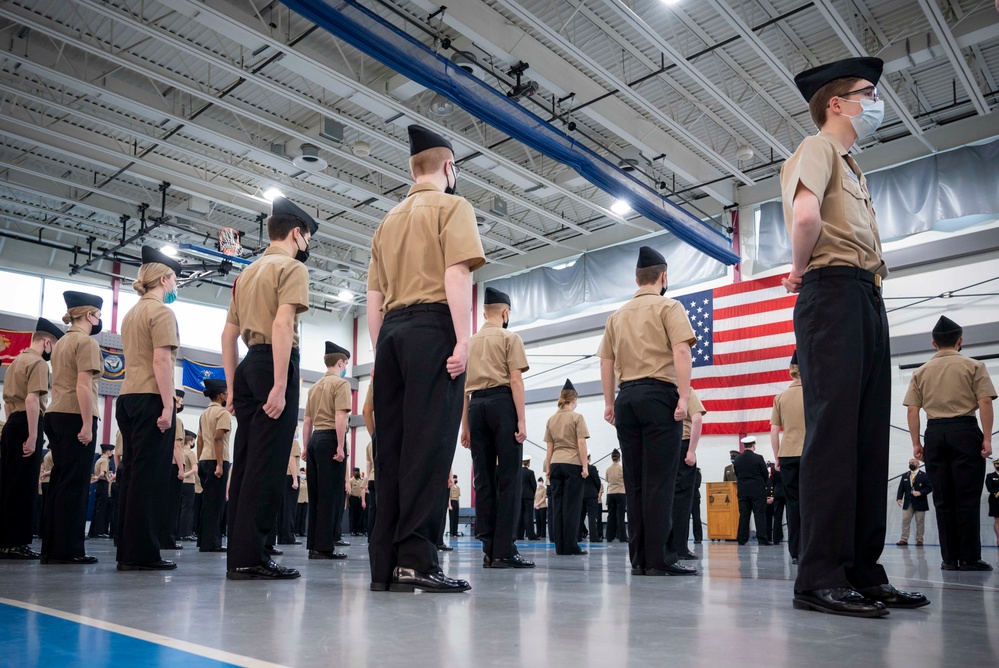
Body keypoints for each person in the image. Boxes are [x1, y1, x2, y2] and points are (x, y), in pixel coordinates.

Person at [782, 57, 932, 618]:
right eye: (868, 94)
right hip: (832, 290)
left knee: (868, 437)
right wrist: (799, 270)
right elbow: (805, 217)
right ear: (837, 103)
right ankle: (818, 577)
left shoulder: (853, 165)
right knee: (834, 437)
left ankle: (863, 571)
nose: (876, 102)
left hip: (865, 293)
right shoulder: (817, 147)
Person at [366, 125, 484, 593]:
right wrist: (462, 340)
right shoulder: (454, 207)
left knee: (392, 452)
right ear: (449, 167)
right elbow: (456, 274)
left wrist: (380, 354)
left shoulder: (386, 222)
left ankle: (386, 564)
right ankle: (417, 560)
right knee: (430, 449)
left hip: (390, 334)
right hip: (433, 329)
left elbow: (373, 298)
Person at [221, 196, 314, 580]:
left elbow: (227, 336)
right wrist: (279, 383)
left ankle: (239, 554)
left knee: (245, 463)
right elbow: (281, 325)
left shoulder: (247, 273)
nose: (307, 245)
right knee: (268, 465)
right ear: (297, 233)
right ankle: (253, 557)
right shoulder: (291, 269)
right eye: (307, 237)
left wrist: (231, 388)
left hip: (246, 365)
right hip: (275, 362)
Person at [597, 246, 697, 577]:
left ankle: (639, 559)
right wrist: (683, 397)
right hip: (658, 397)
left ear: (636, 279)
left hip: (627, 398)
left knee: (635, 481)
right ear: (663, 277)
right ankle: (660, 559)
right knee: (660, 481)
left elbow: (606, 361)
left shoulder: (617, 315)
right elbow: (682, 349)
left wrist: (609, 402)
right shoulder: (669, 307)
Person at [904, 315, 995, 571]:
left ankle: (949, 559)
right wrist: (986, 438)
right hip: (965, 431)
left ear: (934, 343)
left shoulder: (920, 372)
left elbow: (913, 409)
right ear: (960, 341)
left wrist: (916, 443)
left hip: (934, 434)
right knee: (966, 497)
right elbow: (986, 402)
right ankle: (969, 558)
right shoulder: (974, 366)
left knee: (943, 498)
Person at [116, 247, 184, 571]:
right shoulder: (162, 313)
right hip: (150, 398)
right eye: (174, 280)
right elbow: (161, 360)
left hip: (128, 396)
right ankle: (143, 553)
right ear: (162, 279)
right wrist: (169, 406)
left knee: (131, 476)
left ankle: (127, 550)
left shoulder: (130, 314)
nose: (175, 287)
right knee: (150, 479)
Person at [460, 285, 531, 568]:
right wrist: (522, 419)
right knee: (509, 478)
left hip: (476, 407)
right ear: (504, 312)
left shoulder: (471, 342)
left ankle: (488, 547)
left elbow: (463, 389)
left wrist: (464, 426)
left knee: (483, 478)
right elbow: (515, 380)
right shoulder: (509, 337)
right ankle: (505, 549)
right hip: (503, 404)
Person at [42, 291, 103, 565]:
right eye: (98, 315)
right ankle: (69, 550)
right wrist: (88, 423)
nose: (99, 320)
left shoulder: (62, 342)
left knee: (59, 482)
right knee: (75, 485)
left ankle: (52, 547)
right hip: (75, 414)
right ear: (90, 315)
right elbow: (83, 385)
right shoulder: (86, 343)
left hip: (56, 411)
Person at [0, 317, 63, 559]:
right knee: (25, 486)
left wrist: (15, 426)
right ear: (47, 343)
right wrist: (33, 435)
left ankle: (5, 540)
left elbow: (8, 402)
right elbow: (31, 399)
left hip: (12, 422)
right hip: (27, 422)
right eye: (54, 347)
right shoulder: (38, 364)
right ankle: (17, 543)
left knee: (8, 485)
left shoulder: (16, 361)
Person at [302, 341, 352, 560]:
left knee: (316, 495)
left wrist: (305, 447)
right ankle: (324, 547)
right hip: (331, 438)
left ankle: (314, 544)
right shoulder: (340, 385)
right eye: (346, 364)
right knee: (330, 496)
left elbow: (306, 421)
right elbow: (341, 415)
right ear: (340, 362)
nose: (345, 368)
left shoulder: (314, 387)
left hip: (314, 440)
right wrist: (340, 446)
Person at [544, 379, 590, 556]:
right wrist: (585, 466)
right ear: (574, 399)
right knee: (572, 506)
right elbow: (581, 443)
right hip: (572, 464)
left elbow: (549, 447)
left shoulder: (551, 419)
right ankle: (571, 545)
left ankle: (560, 546)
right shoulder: (577, 418)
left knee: (557, 506)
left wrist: (548, 468)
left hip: (556, 464)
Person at [771, 351, 804, 562]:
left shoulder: (780, 397)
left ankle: (795, 552)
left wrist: (777, 458)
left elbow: (774, 430)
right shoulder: (814, 394)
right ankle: (813, 549)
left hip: (788, 455)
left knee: (793, 505)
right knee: (813, 505)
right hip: (811, 454)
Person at [670, 389, 707, 560]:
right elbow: (697, 418)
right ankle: (679, 548)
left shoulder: (659, 390)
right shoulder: (685, 391)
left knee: (661, 500)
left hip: (660, 448)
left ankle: (661, 547)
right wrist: (691, 450)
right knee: (682, 500)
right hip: (682, 445)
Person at [197, 379, 230, 553]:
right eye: (226, 393)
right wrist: (219, 464)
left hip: (204, 459)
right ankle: (212, 543)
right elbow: (218, 438)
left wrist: (198, 461)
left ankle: (204, 541)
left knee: (207, 503)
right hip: (217, 460)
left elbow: (200, 440)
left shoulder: (204, 414)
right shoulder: (222, 413)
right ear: (221, 395)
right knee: (216, 505)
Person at [162, 389, 188, 550]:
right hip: (173, 465)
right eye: (180, 401)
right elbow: (177, 445)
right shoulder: (176, 421)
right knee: (171, 506)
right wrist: (181, 468)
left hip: (162, 465)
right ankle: (168, 539)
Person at [733, 437, 772, 546]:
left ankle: (741, 539)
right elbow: (765, 474)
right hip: (757, 491)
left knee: (744, 515)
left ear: (744, 446)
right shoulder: (758, 458)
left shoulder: (737, 459)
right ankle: (762, 539)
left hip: (743, 492)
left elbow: (737, 474)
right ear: (753, 445)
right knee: (759, 515)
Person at [895, 460, 932, 547]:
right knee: (905, 520)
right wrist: (899, 498)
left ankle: (919, 539)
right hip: (908, 502)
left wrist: (921, 492)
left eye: (913, 462)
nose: (911, 464)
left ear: (918, 464)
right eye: (909, 463)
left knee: (920, 521)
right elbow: (901, 488)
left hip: (920, 502)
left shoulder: (924, 475)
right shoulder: (905, 475)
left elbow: (930, 487)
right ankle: (904, 539)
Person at [278, 436, 302, 545]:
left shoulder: (282, 440)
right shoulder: (294, 442)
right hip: (291, 476)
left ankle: (282, 536)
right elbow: (292, 460)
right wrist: (295, 479)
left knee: (283, 508)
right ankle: (288, 536)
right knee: (290, 508)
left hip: (282, 476)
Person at [88, 444, 113, 538]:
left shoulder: (98, 460)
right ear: (107, 451)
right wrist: (98, 478)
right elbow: (102, 474)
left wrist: (95, 479)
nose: (111, 453)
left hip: (98, 485)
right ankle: (99, 531)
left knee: (97, 508)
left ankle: (93, 531)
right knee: (101, 509)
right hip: (103, 484)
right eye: (111, 451)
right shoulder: (105, 461)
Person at [177, 431, 198, 541]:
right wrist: (185, 474)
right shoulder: (190, 453)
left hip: (180, 483)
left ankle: (177, 532)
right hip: (189, 482)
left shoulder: (179, 452)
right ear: (190, 441)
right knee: (187, 509)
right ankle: (185, 533)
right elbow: (195, 469)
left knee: (179, 508)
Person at [362, 383, 376, 538]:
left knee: (373, 509)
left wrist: (375, 436)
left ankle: (371, 537)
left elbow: (366, 410)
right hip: (384, 477)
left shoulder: (370, 444)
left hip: (372, 477)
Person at [604, 449, 627, 543]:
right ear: (619, 458)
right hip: (621, 492)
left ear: (611, 458)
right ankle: (622, 537)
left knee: (611, 515)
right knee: (620, 515)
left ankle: (609, 536)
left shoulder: (608, 469)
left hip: (610, 493)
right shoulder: (622, 469)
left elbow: (607, 480)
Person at [579, 455, 601, 543]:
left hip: (581, 495)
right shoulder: (592, 468)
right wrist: (596, 491)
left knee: (580, 517)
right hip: (591, 495)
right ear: (589, 458)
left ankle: (578, 536)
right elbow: (597, 481)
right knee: (592, 517)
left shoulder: (579, 469)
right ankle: (593, 537)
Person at [518, 459, 538, 541]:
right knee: (529, 515)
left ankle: (519, 534)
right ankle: (531, 535)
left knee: (520, 515)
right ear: (528, 463)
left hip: (520, 495)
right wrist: (533, 493)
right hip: (528, 495)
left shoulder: (518, 472)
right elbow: (534, 484)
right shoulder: (530, 472)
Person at [769, 463, 785, 545]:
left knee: (777, 517)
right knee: (791, 516)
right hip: (788, 492)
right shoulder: (787, 465)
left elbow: (772, 481)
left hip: (778, 492)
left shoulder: (772, 468)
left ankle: (776, 539)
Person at [349, 468, 366, 536]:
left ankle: (358, 530)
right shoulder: (351, 481)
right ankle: (352, 530)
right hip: (353, 498)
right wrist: (347, 502)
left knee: (359, 515)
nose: (356, 473)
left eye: (357, 471)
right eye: (355, 471)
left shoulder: (361, 480)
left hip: (360, 499)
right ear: (353, 472)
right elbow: (348, 492)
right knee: (353, 515)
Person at [986, 460, 999, 548]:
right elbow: (989, 488)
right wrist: (997, 493)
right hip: (996, 500)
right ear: (994, 465)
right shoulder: (990, 476)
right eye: (997, 464)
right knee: (997, 520)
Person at [691, 467, 703, 544]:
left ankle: (698, 537)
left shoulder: (696, 471)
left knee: (696, 517)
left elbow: (697, 484)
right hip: (684, 497)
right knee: (683, 519)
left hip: (694, 497)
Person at [296, 466, 309, 537]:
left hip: (305, 500)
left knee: (303, 517)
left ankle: (302, 531)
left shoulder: (307, 481)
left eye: (304, 472)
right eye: (302, 472)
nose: (303, 474)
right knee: (297, 517)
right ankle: (296, 531)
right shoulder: (298, 481)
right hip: (299, 501)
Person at [447, 475, 461, 539]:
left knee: (456, 518)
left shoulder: (458, 487)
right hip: (452, 502)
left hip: (456, 502)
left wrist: (459, 505)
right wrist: (449, 505)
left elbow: (458, 497)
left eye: (456, 478)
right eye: (454, 478)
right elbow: (449, 497)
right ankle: (451, 532)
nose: (455, 479)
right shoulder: (450, 488)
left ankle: (455, 532)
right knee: (452, 519)